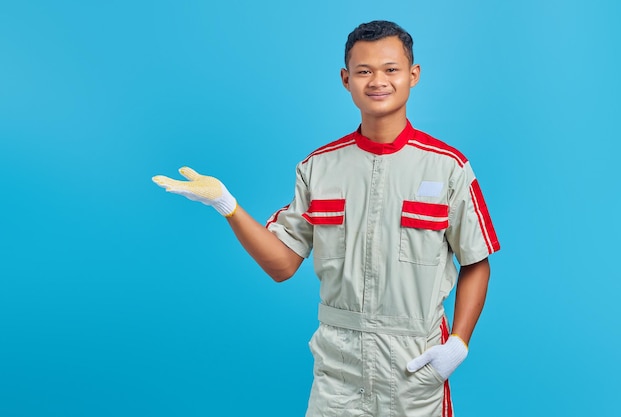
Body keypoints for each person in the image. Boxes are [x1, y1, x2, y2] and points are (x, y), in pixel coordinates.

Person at [152, 20, 500, 417]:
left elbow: (476, 260)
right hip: (338, 367)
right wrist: (226, 204)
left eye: (391, 69)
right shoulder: (318, 168)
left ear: (413, 76)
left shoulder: (448, 168)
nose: (377, 81)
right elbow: (282, 265)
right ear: (345, 79)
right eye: (364, 71)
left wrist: (458, 343)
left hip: (413, 362)